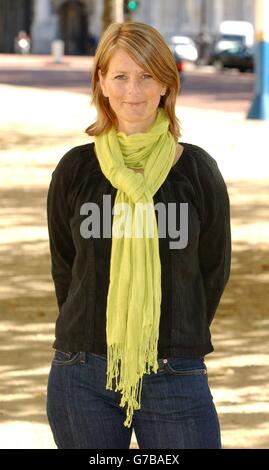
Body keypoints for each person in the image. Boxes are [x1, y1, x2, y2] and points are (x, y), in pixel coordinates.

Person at [46, 21, 231, 449]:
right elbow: (65, 267)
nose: (135, 89)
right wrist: (94, 332)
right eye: (122, 76)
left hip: (175, 372)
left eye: (148, 75)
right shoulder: (76, 169)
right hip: (83, 371)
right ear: (103, 84)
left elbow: (213, 270)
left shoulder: (197, 171)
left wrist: (171, 333)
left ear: (167, 84)